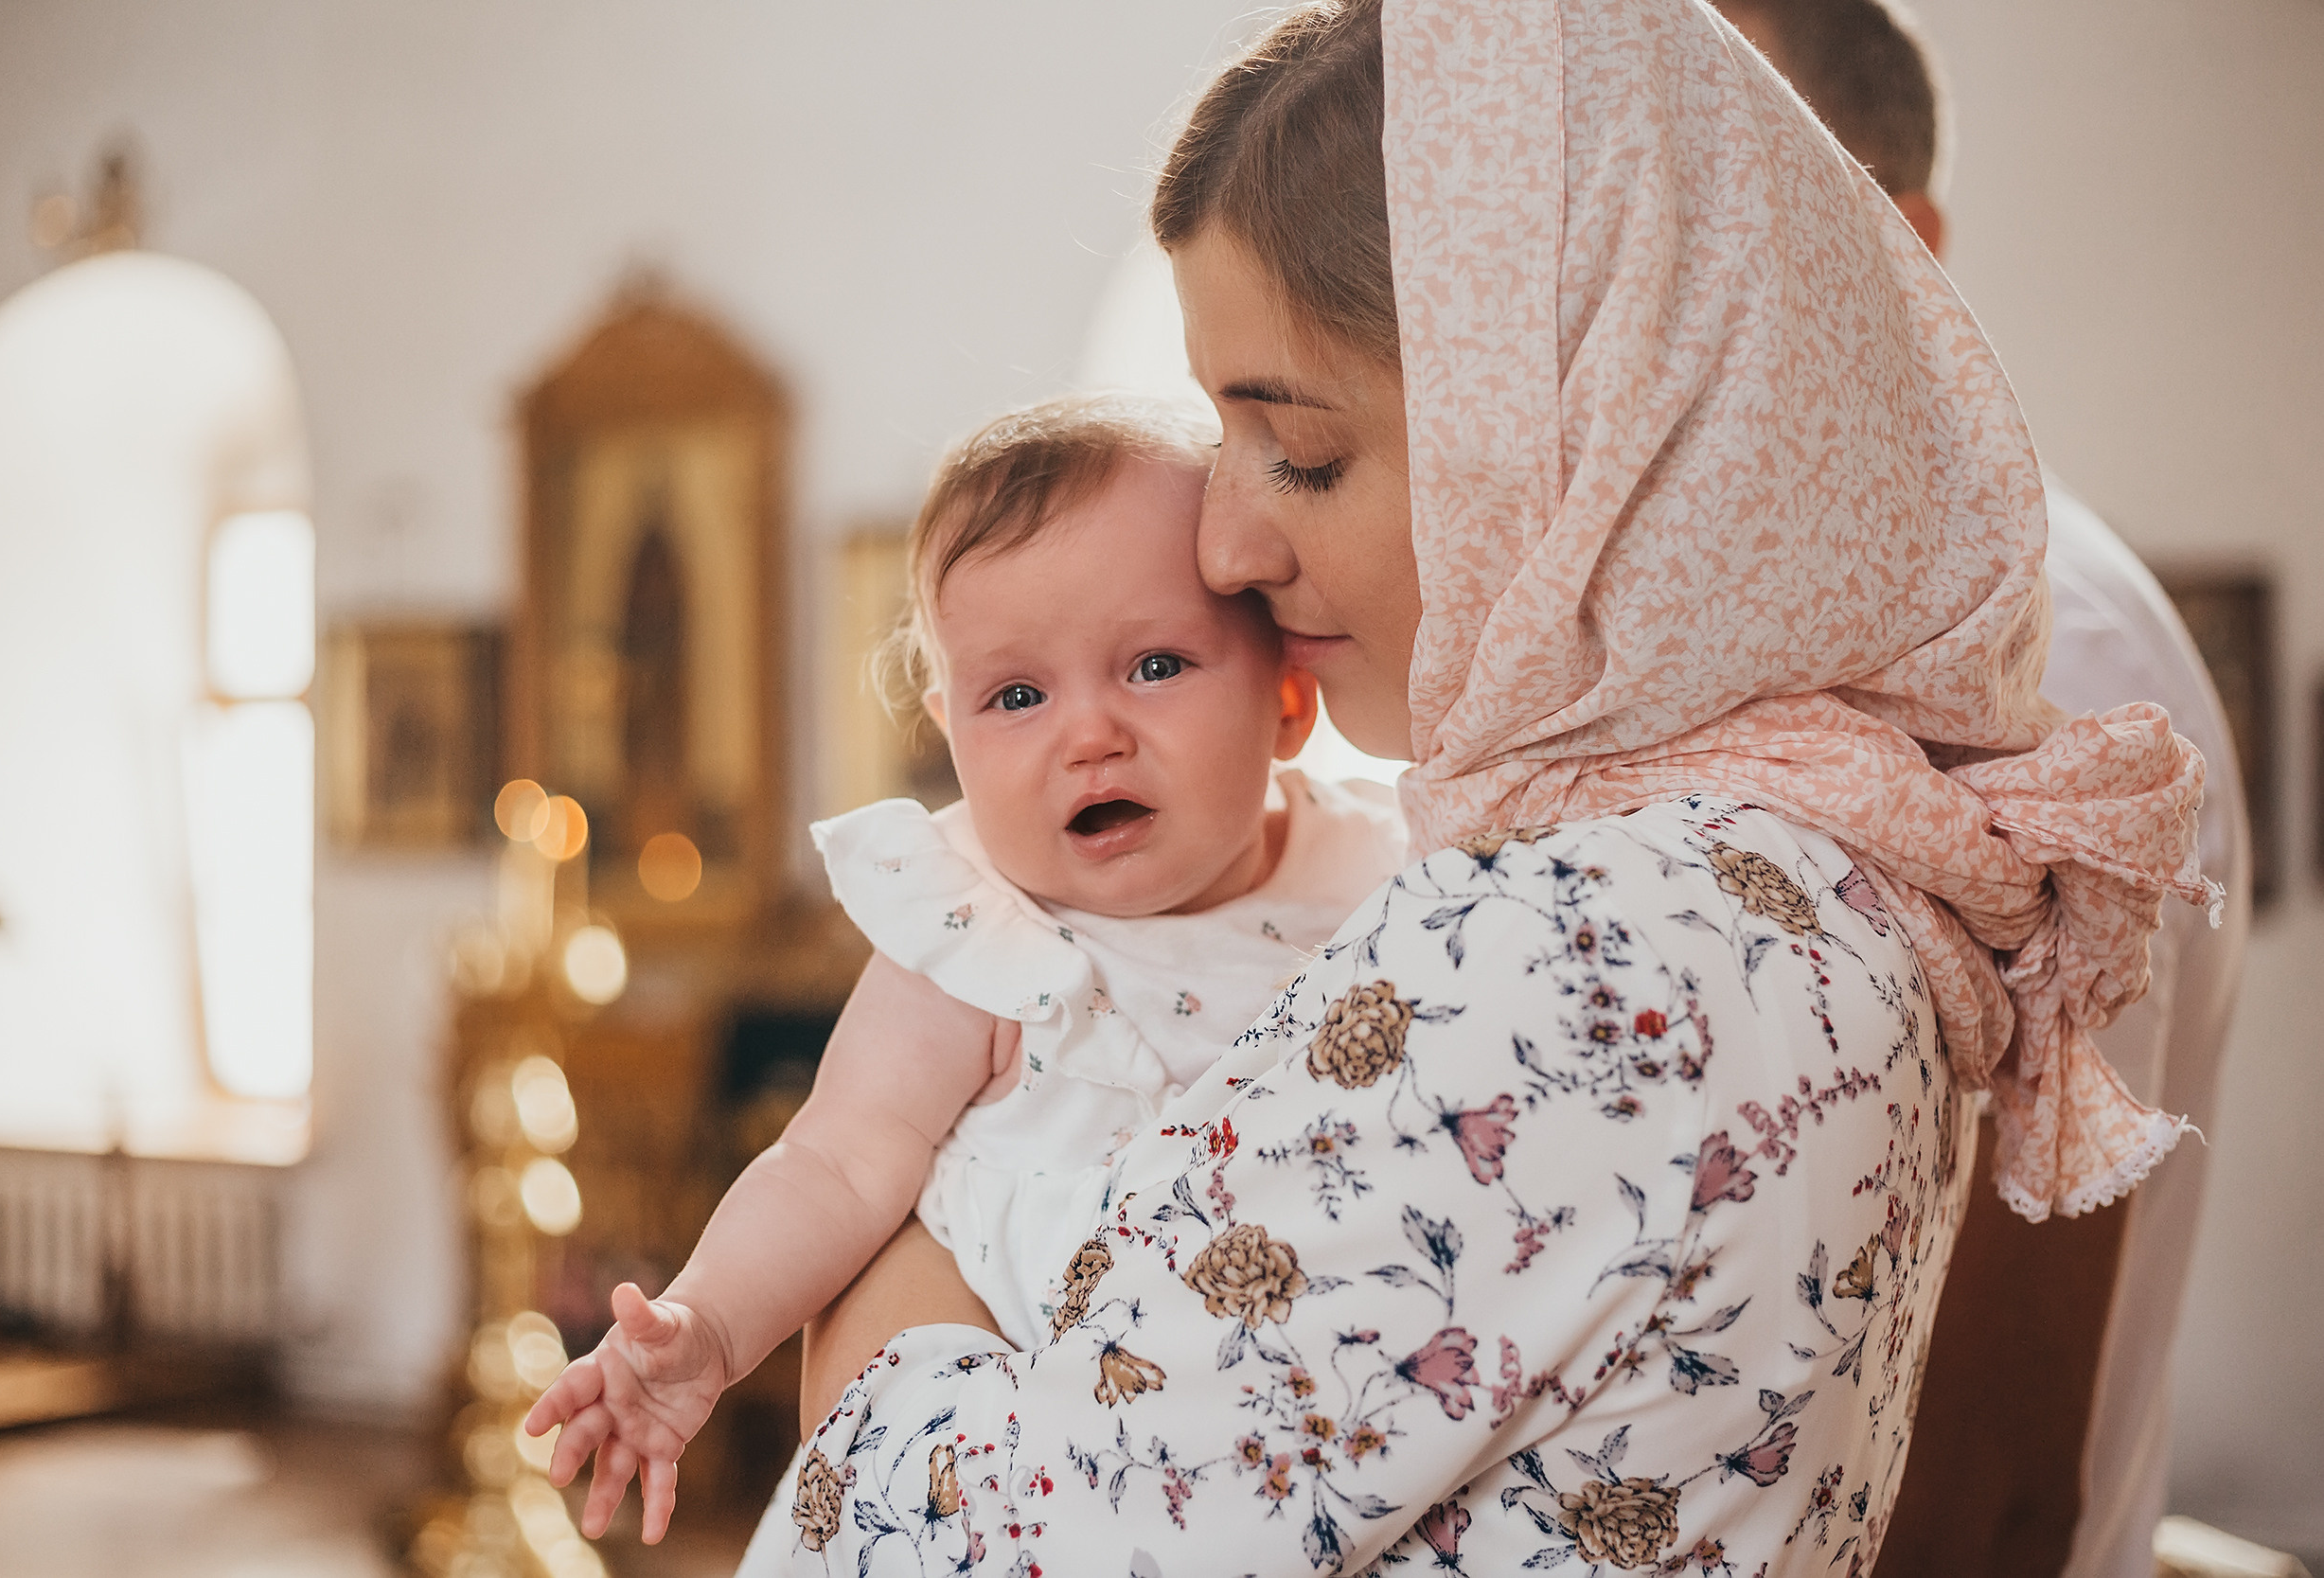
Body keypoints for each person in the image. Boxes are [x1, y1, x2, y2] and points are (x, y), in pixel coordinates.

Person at [574, 1, 2219, 1569]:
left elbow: (952, 1537)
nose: (1225, 543)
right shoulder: (1827, 848)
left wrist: (890, 1302)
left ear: (1575, 419)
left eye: (1303, 450)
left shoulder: (1583, 945)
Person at [523, 393, 1407, 1542]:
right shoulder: (978, 934)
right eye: (1018, 696)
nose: (1088, 733)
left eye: (1154, 663)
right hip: (1025, 1464)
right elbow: (834, 1164)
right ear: (951, 732)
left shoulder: (1382, 877)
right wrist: (707, 1331)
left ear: (1287, 694)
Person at [1703, 6, 2252, 1572]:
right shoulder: (1873, 616)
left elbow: (1986, 1473)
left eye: (1719, 191)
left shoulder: (2023, 649)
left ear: (1909, 243)